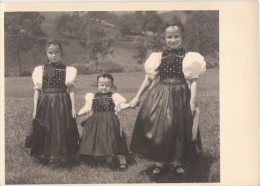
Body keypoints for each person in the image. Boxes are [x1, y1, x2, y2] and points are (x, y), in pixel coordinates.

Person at [129, 23, 206, 179]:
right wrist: (137, 96)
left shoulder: (189, 58)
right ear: (164, 38)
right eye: (169, 37)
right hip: (161, 94)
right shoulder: (158, 57)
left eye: (176, 36)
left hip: (180, 95)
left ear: (182, 37)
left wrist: (192, 101)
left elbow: (193, 81)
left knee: (178, 128)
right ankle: (159, 161)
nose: (173, 40)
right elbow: (149, 79)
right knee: (159, 127)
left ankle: (177, 162)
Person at [28, 39, 79, 165]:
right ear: (46, 54)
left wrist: (73, 108)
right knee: (46, 127)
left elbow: (71, 90)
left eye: (56, 52)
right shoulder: (40, 70)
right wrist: (35, 109)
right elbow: (37, 91)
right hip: (45, 101)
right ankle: (47, 154)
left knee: (62, 127)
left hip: (62, 101)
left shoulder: (67, 70)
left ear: (61, 53)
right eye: (50, 53)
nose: (53, 55)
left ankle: (63, 154)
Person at [77, 72, 131, 171]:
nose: (104, 87)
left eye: (107, 85)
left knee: (114, 140)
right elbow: (86, 108)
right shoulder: (92, 96)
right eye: (101, 85)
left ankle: (122, 161)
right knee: (100, 140)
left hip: (110, 121)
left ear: (111, 86)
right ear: (97, 85)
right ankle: (106, 160)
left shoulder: (114, 96)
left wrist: (130, 105)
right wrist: (77, 114)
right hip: (96, 122)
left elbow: (121, 106)